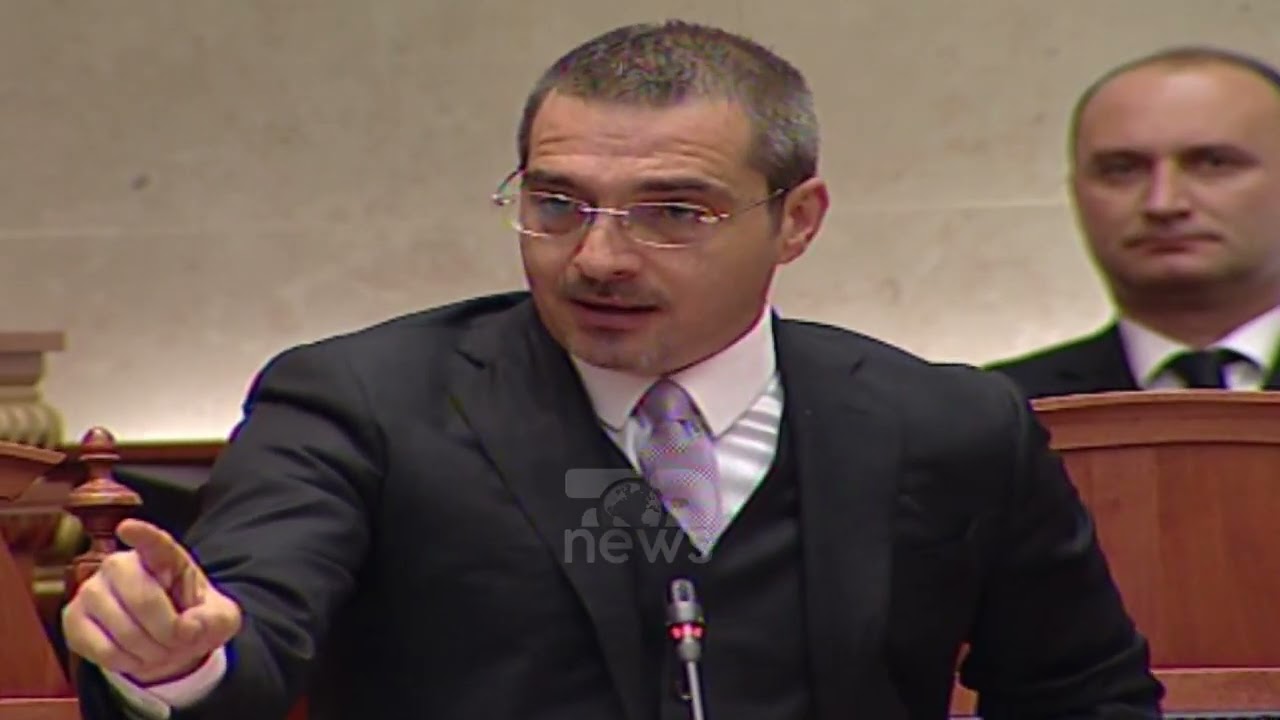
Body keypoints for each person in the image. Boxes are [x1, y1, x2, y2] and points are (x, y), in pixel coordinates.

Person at [63, 19, 1162, 720]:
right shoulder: (363, 403)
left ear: (796, 221)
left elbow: (1081, 695)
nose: (597, 258)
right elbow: (248, 626)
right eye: (556, 204)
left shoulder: (947, 423)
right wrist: (174, 660)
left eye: (672, 212)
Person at [989, 47, 1280, 399]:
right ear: (1076, 193)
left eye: (1213, 164)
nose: (1163, 203)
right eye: (1121, 169)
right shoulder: (993, 412)